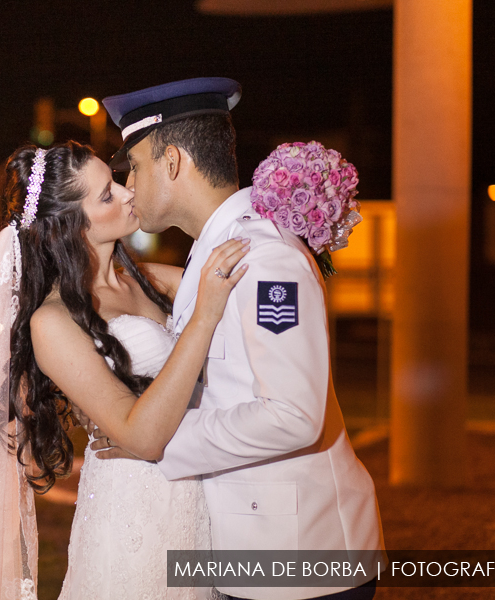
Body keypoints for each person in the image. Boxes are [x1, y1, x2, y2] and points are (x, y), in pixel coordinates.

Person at [0, 140, 248, 600]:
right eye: (107, 195)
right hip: (135, 514)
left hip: (204, 502)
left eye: (118, 180)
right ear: (69, 226)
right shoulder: (54, 321)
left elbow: (253, 283)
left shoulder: (156, 280)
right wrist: (203, 317)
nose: (129, 193)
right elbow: (140, 435)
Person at [86, 77, 386, 600]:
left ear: (172, 162)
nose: (129, 185)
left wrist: (157, 445)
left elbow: (292, 415)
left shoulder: (262, 258)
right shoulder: (214, 250)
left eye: (133, 167)